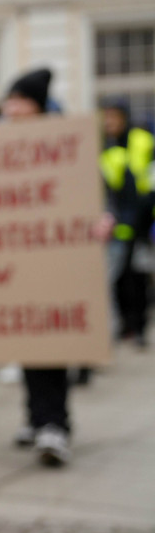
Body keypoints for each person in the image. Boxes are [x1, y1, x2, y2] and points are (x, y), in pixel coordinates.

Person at [0, 68, 74, 467]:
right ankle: (35, 416)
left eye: (18, 100)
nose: (10, 108)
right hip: (17, 261)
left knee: (51, 341)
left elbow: (85, 193)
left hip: (53, 261)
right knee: (27, 339)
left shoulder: (63, 143)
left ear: (36, 105)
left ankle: (56, 423)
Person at [96, 98, 154, 349]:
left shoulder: (143, 141)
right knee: (120, 280)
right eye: (106, 117)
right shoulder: (103, 147)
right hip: (117, 225)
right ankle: (126, 326)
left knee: (138, 278)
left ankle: (139, 327)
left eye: (114, 116)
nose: (109, 122)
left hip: (142, 221)